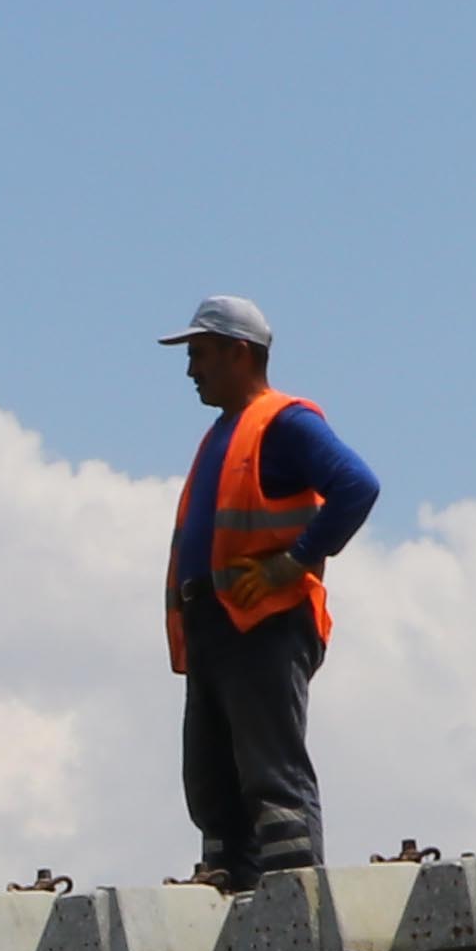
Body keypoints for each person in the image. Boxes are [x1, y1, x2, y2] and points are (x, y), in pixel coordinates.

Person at [160, 292, 381, 887]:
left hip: (264, 620)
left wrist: (296, 562)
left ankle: (292, 893)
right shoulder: (223, 434)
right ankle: (231, 876)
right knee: (211, 773)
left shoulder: (282, 422)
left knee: (269, 768)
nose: (190, 370)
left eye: (200, 354)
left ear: (239, 353)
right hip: (218, 623)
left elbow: (357, 485)